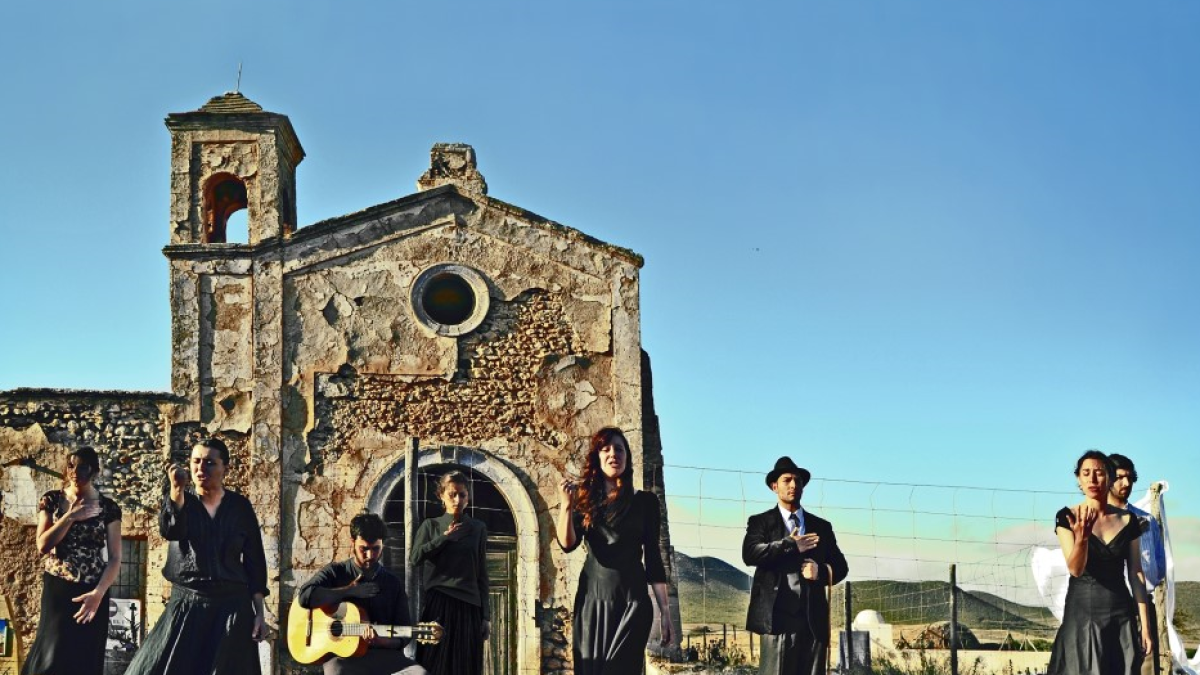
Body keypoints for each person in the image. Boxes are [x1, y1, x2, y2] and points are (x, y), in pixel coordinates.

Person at [125, 438, 268, 675]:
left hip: (232, 607)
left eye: (210, 463)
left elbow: (255, 562)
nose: (201, 469)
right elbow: (171, 530)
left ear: (226, 468)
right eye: (196, 461)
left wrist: (260, 614)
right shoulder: (181, 500)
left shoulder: (240, 507)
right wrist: (177, 490)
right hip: (187, 604)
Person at [556, 427, 674, 674]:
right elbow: (567, 544)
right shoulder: (584, 501)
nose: (613, 454)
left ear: (627, 457)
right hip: (592, 603)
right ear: (597, 458)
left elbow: (653, 558)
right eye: (605, 449)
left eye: (619, 449)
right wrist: (566, 507)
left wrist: (665, 612)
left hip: (632, 603)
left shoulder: (646, 502)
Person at [1047, 450, 1152, 675]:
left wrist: (1145, 626)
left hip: (1120, 614)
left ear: (1110, 478)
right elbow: (1075, 569)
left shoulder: (1129, 520)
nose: (1093, 479)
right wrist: (1082, 538)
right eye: (1086, 473)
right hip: (1082, 614)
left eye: (1099, 473)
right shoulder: (1067, 517)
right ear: (1079, 479)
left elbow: (1136, 573)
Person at [743, 456, 848, 675]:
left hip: (813, 623)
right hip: (776, 622)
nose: (793, 485)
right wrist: (790, 545)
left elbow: (841, 566)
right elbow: (750, 553)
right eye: (787, 480)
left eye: (798, 481)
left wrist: (821, 572)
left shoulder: (822, 526)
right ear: (775, 486)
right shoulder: (760, 522)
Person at [22, 447, 122, 675]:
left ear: (95, 471)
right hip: (58, 587)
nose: (75, 472)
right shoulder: (52, 500)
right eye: (71, 466)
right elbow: (43, 545)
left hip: (93, 592)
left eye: (83, 467)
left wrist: (98, 594)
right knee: (50, 656)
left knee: (85, 659)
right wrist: (71, 516)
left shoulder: (108, 508)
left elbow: (115, 557)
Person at [297, 512, 427, 675]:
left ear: (383, 545)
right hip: (344, 659)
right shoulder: (336, 572)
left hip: (384, 656)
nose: (370, 555)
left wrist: (382, 641)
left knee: (418, 673)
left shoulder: (393, 584)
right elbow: (305, 597)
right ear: (352, 542)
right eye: (364, 549)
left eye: (376, 549)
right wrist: (349, 590)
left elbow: (404, 632)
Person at [411, 471, 490, 675]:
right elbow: (415, 558)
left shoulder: (478, 528)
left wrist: (486, 616)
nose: (457, 500)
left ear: (468, 497)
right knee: (434, 663)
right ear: (441, 496)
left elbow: (481, 572)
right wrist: (444, 539)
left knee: (465, 666)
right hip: (439, 603)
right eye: (452, 494)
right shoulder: (431, 526)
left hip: (469, 606)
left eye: (462, 495)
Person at [1108, 453, 1167, 675]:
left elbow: (1157, 568)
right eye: (1119, 477)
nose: (1126, 483)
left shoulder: (1146, 520)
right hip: (1110, 606)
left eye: (1130, 477)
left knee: (1146, 667)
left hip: (1143, 605)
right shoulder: (1096, 520)